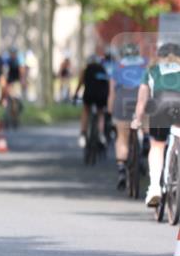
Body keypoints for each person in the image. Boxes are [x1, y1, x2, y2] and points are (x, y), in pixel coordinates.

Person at [131, 42, 180, 208]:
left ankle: (154, 188)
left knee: (157, 146)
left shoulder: (152, 70)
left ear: (159, 56)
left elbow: (142, 100)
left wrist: (137, 119)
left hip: (160, 105)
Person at [108, 43, 148, 189]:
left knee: (122, 137)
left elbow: (112, 91)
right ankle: (146, 141)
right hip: (141, 95)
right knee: (146, 121)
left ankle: (121, 171)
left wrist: (111, 111)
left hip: (122, 97)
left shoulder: (118, 66)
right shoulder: (146, 63)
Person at [74, 54, 110, 149]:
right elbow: (108, 84)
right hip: (102, 96)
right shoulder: (103, 70)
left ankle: (83, 134)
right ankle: (101, 134)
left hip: (89, 94)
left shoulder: (86, 70)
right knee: (100, 113)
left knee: (86, 110)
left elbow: (80, 83)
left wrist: (75, 95)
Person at [3, 47, 24, 127]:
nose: (13, 55)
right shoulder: (7, 61)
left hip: (16, 82)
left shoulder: (19, 61)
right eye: (11, 53)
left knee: (16, 99)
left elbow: (21, 72)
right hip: (8, 83)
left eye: (14, 53)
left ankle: (15, 118)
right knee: (7, 100)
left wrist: (22, 81)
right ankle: (7, 119)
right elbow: (4, 73)